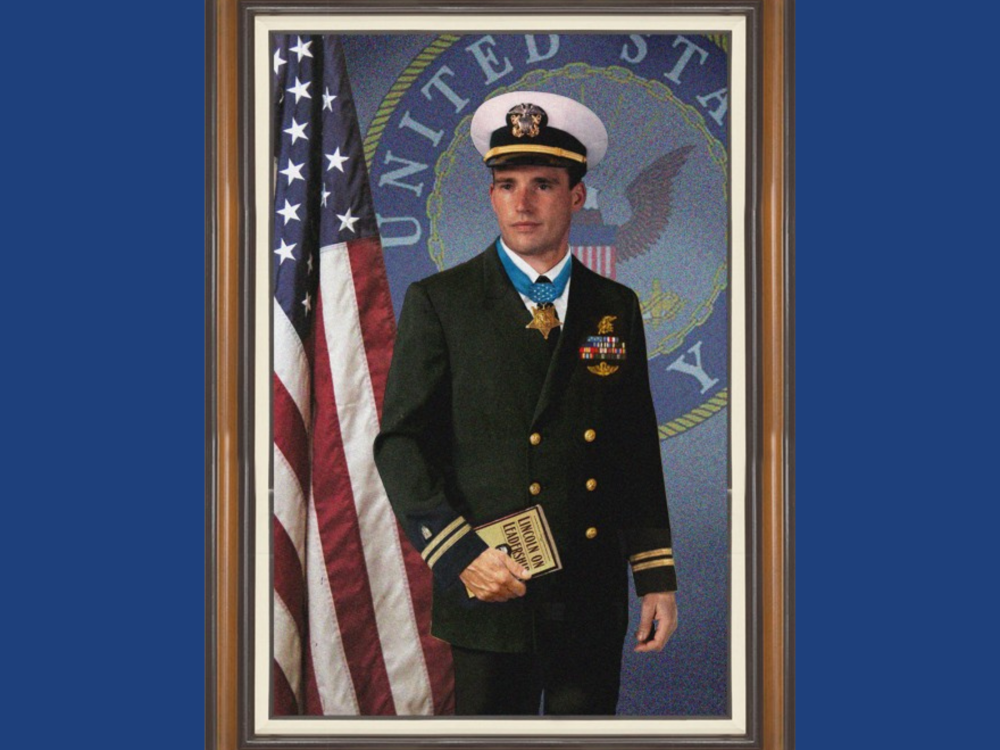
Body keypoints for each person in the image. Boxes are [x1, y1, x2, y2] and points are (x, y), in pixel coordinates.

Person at [373, 91, 678, 716]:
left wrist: (654, 574)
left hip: (589, 593)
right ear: (490, 196)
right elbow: (401, 446)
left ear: (576, 196)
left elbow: (632, 446)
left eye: (543, 183)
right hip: (489, 588)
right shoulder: (442, 301)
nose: (522, 201)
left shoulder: (614, 305)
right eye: (506, 183)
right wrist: (460, 555)